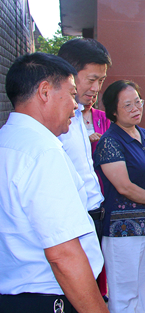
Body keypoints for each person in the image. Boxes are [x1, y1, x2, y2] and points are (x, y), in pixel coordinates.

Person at [0, 53, 107, 313]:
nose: (76, 106)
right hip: (48, 298)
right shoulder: (43, 152)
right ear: (45, 92)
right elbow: (63, 255)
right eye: (71, 94)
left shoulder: (8, 140)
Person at [93, 80, 145, 313]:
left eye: (138, 101)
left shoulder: (144, 134)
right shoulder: (110, 142)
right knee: (124, 293)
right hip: (122, 232)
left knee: (144, 287)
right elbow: (124, 186)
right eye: (128, 105)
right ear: (114, 111)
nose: (136, 108)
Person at [57, 38, 112, 262]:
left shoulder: (78, 113)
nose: (96, 88)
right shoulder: (55, 120)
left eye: (101, 80)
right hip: (73, 223)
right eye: (92, 80)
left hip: (93, 215)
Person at [82, 96, 111, 297]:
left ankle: (101, 289)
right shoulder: (71, 118)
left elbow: (111, 141)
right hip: (82, 182)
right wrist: (86, 138)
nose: (92, 95)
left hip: (102, 179)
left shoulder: (102, 117)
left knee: (101, 239)